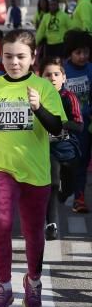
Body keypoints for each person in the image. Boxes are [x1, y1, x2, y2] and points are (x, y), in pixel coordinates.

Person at [0, 30, 66, 307]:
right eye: (8, 56)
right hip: (1, 167)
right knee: (0, 221)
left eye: (21, 57)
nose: (14, 62)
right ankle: (4, 287)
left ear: (33, 57)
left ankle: (33, 283)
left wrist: (38, 108)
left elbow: (58, 128)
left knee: (34, 232)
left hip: (36, 172)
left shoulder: (43, 87)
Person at [34, 57, 82, 240]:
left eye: (56, 74)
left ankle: (63, 196)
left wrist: (58, 124)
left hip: (68, 148)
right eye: (48, 75)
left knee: (68, 186)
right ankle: (51, 225)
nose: (52, 78)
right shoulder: (37, 98)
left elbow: (79, 125)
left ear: (64, 78)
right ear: (40, 77)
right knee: (53, 183)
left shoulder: (69, 97)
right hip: (46, 148)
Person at [62, 30, 92, 212]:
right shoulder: (63, 70)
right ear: (70, 53)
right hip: (69, 125)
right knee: (71, 162)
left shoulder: (91, 69)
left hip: (87, 125)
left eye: (86, 52)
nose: (83, 56)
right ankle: (67, 189)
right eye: (78, 52)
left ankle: (79, 197)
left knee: (83, 161)